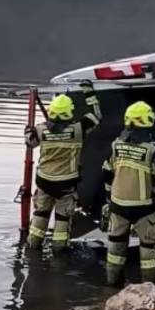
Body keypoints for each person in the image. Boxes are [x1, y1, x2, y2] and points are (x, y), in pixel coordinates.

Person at [102, 101, 155, 286]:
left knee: (115, 247)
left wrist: (109, 198)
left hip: (118, 205)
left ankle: (111, 283)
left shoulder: (116, 145)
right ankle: (150, 286)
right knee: (148, 248)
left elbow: (107, 173)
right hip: (144, 207)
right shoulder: (153, 149)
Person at [24, 82, 101, 251]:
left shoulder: (41, 130)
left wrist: (28, 130)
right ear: (69, 111)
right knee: (62, 219)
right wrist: (89, 94)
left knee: (41, 214)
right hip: (66, 184)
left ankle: (32, 246)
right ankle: (59, 252)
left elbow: (29, 142)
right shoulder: (79, 129)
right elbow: (96, 115)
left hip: (44, 181)